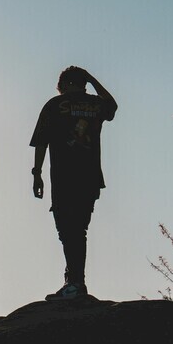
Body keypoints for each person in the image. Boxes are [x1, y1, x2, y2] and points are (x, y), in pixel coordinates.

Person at [30, 66, 117, 300]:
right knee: (78, 229)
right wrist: (93, 80)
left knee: (68, 230)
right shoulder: (95, 104)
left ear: (64, 84)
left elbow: (41, 141)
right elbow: (112, 105)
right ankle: (74, 281)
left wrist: (36, 173)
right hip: (90, 178)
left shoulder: (54, 105)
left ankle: (75, 283)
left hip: (64, 177)